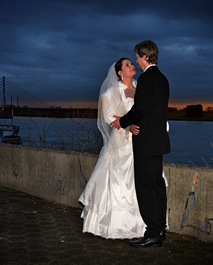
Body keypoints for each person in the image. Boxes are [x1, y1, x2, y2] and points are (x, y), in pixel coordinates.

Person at [110, 40, 170, 247]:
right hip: (158, 142)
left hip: (145, 143)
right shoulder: (163, 79)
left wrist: (121, 121)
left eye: (137, 56)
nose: (136, 60)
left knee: (145, 188)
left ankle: (152, 232)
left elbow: (140, 110)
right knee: (157, 186)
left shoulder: (146, 79)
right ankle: (160, 230)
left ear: (145, 57)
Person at [78, 57, 145, 239]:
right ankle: (115, 224)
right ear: (119, 73)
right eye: (127, 65)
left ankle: (143, 224)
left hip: (141, 141)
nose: (132, 66)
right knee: (119, 180)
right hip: (121, 142)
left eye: (132, 63)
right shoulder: (111, 92)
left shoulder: (141, 88)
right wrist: (128, 126)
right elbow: (108, 116)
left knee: (140, 179)